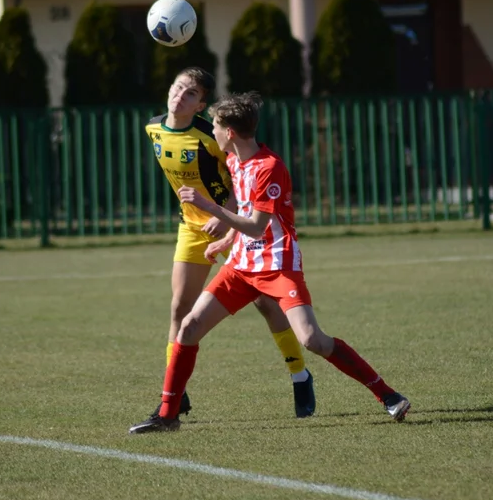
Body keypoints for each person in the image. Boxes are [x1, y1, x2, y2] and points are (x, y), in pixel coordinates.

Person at [130, 91, 410, 433]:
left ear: (229, 132)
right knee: (188, 328)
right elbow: (244, 216)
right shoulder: (233, 161)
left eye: (216, 126)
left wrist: (210, 207)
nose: (213, 132)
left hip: (278, 267)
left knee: (312, 339)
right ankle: (167, 415)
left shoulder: (270, 167)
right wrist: (226, 239)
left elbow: (257, 225)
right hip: (240, 267)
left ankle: (388, 395)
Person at [144, 69, 315, 419]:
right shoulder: (153, 128)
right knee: (180, 309)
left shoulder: (212, 136)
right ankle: (176, 394)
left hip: (232, 224)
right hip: (192, 229)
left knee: (268, 307)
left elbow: (245, 180)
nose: (180, 96)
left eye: (191, 93)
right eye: (178, 87)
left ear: (201, 105)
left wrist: (225, 218)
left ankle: (299, 374)